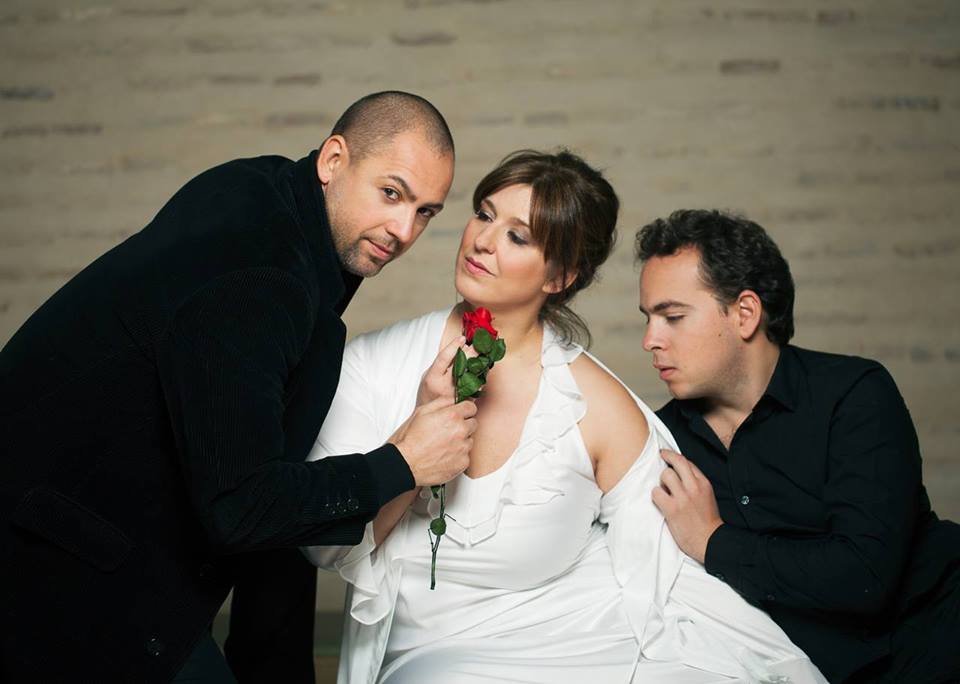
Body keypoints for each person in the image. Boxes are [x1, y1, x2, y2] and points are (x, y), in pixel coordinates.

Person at [0, 91, 479, 684]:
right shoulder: (262, 271)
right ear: (334, 161)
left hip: (107, 556)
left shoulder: (267, 197)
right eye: (391, 193)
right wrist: (401, 463)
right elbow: (241, 506)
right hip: (51, 570)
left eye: (425, 212)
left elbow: (268, 504)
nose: (403, 230)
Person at [303, 151, 828, 683]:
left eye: (518, 236)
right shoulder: (369, 365)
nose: (483, 241)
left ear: (560, 276)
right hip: (434, 657)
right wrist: (412, 453)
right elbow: (322, 544)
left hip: (583, 639)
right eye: (484, 214)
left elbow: (668, 575)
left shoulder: (597, 405)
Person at [635, 209, 960, 683]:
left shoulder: (854, 393)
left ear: (745, 314)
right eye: (648, 318)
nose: (650, 340)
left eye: (673, 317)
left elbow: (864, 575)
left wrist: (712, 541)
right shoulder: (660, 441)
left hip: (936, 637)